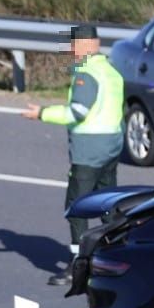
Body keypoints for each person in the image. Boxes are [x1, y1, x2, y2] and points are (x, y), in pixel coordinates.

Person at [20, 23, 124, 287]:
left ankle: (78, 267)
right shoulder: (111, 72)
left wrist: (42, 113)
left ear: (88, 45)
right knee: (109, 205)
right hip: (111, 148)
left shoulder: (86, 74)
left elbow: (76, 112)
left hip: (88, 152)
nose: (71, 50)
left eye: (74, 45)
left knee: (76, 209)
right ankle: (114, 257)